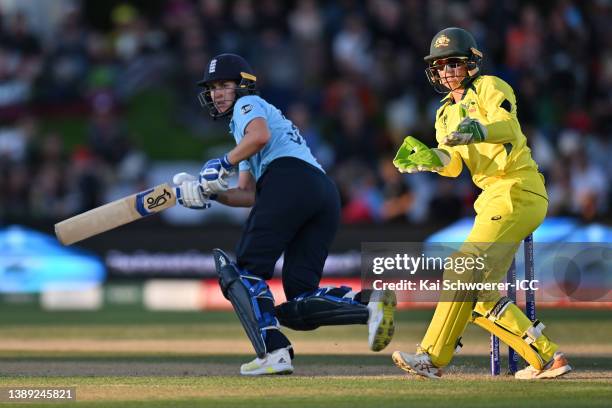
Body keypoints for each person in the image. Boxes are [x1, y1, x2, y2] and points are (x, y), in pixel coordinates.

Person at [173, 53, 396, 376]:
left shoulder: (248, 106)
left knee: (245, 273)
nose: (217, 93)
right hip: (321, 193)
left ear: (243, 86)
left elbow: (259, 136)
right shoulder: (245, 133)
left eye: (224, 85)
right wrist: (211, 193)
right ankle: (369, 304)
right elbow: (248, 194)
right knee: (298, 298)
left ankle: (274, 352)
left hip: (289, 182)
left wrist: (223, 163)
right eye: (213, 88)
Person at [390, 28, 572, 380]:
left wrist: (479, 130)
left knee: (462, 267)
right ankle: (548, 359)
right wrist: (429, 158)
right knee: (481, 294)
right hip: (491, 197)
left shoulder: (491, 87)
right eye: (440, 65)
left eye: (454, 62)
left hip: (517, 187)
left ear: (471, 62)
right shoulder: (444, 113)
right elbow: (454, 163)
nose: (447, 70)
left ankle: (431, 357)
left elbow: (508, 127)